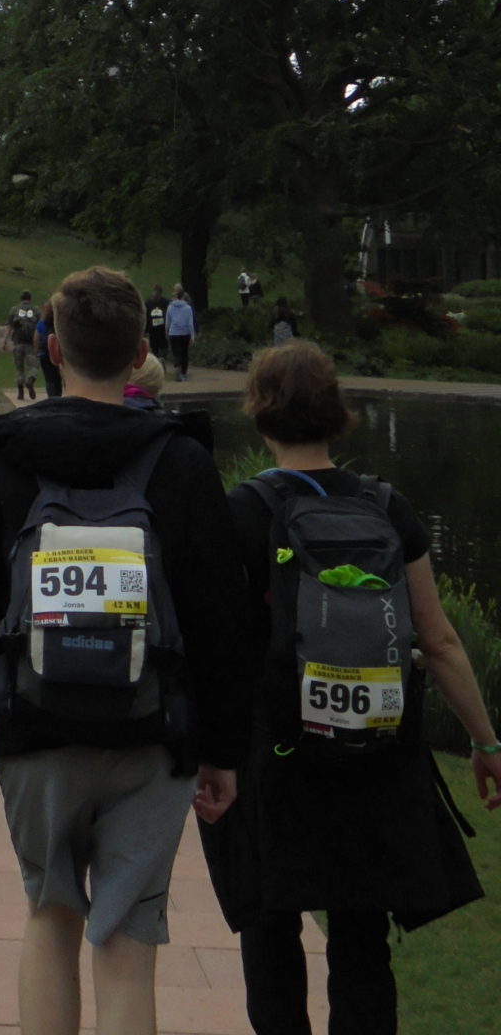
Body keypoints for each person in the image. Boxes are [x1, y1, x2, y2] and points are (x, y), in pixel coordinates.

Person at [0, 266, 251, 1035]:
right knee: (128, 946)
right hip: (152, 735)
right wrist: (223, 752)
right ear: (141, 352)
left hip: (36, 729)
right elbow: (220, 620)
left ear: (51, 347)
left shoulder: (4, 456)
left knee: (50, 918)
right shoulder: (182, 462)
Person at [201, 340, 497, 1034]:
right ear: (338, 414)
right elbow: (440, 641)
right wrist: (485, 742)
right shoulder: (387, 506)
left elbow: (217, 646)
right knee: (362, 938)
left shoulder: (241, 511)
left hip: (274, 754)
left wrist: (205, 748)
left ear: (260, 415)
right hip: (376, 753)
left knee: (270, 933)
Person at [3, 290, 42, 402]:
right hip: (31, 342)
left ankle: (20, 391)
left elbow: (9, 326)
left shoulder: (14, 310)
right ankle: (30, 380)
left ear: (20, 299)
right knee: (34, 366)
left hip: (18, 342)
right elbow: (39, 328)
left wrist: (5, 341)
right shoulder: (35, 310)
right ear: (30, 299)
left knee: (19, 368)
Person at [165, 285, 196, 380]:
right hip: (185, 333)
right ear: (183, 296)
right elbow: (190, 323)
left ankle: (177, 366)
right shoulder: (188, 308)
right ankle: (183, 373)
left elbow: (168, 322)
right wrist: (192, 335)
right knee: (184, 353)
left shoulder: (170, 307)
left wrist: (167, 332)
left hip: (174, 333)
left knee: (176, 352)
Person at [35, 299, 63, 399]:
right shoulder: (59, 322)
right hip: (57, 352)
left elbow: (36, 338)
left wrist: (36, 350)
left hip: (44, 353)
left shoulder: (41, 323)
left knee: (48, 377)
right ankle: (58, 394)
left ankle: (51, 396)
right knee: (57, 376)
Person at [145, 285, 168, 365]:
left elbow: (167, 314)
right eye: (155, 293)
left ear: (160, 294)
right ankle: (157, 363)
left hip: (162, 329)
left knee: (164, 347)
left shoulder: (165, 302)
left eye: (158, 294)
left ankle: (162, 360)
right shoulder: (148, 303)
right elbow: (146, 316)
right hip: (153, 330)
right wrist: (145, 330)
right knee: (154, 348)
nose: (156, 295)